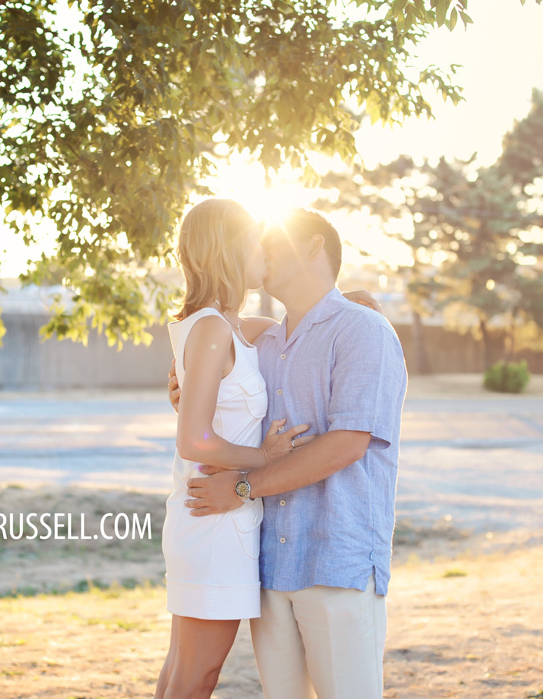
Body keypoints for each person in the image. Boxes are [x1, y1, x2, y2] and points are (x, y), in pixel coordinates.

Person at [170, 208, 407, 698]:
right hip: (271, 567)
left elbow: (347, 444)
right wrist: (181, 383)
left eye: (273, 244)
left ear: (314, 248)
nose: (261, 255)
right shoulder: (263, 341)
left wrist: (240, 486)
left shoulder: (362, 330)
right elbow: (212, 380)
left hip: (334, 559)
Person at [154, 197, 314, 699]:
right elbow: (193, 438)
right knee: (195, 675)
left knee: (185, 670)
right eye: (254, 243)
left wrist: (347, 298)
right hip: (211, 520)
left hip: (219, 520)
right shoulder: (210, 328)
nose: (265, 252)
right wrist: (265, 458)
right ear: (228, 251)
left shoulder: (230, 327)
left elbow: (297, 325)